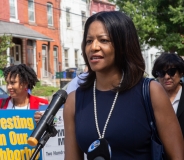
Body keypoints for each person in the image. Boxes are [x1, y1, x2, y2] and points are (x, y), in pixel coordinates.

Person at [64, 11, 184, 160]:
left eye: (103, 40)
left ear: (123, 45)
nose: (94, 47)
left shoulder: (151, 92)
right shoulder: (74, 101)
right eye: (89, 41)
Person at [152, 52, 184, 137]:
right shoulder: (151, 98)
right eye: (161, 73)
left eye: (171, 72)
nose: (166, 77)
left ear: (181, 73)